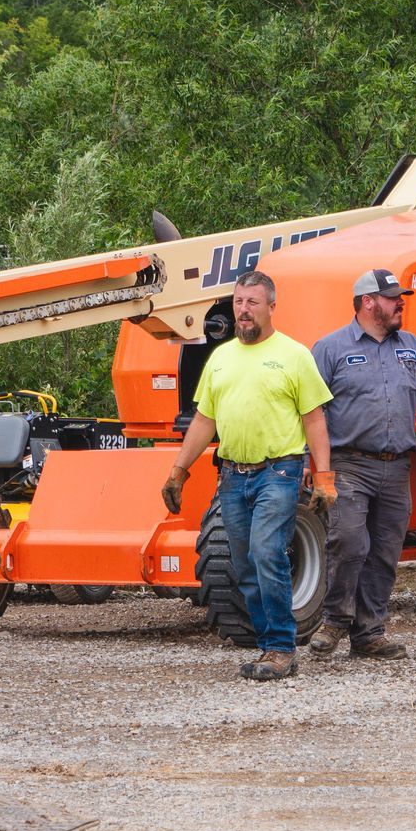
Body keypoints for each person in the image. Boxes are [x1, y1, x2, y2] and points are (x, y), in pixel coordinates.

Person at [161, 270, 338, 682]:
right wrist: (178, 471)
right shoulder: (220, 358)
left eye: (252, 303)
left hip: (279, 471)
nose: (243, 310)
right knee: (242, 563)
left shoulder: (294, 355)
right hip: (233, 476)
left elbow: (314, 419)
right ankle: (267, 644)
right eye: (239, 302)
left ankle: (280, 648)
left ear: (271, 307)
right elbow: (205, 419)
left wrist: (324, 475)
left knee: (266, 553)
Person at [308, 268, 416, 661]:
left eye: (400, 296)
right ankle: (335, 620)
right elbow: (307, 410)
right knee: (349, 540)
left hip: (396, 468)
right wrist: (310, 463)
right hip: (348, 464)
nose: (400, 302)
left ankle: (369, 633)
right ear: (368, 302)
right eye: (393, 297)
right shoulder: (329, 349)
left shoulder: (413, 347)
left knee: (386, 552)